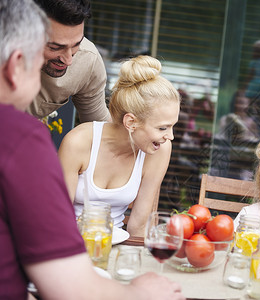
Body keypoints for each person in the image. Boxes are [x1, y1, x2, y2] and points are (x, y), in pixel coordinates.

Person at [0, 0, 184, 299]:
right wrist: (139, 294)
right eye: (37, 66)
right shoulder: (19, 139)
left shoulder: (87, 64)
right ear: (15, 64)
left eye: (76, 46)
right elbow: (66, 285)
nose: (69, 60)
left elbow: (104, 124)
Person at [58, 55, 180, 237]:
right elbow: (58, 218)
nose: (170, 137)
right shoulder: (79, 142)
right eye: (163, 128)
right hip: (68, 241)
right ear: (131, 122)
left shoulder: (159, 150)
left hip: (116, 245)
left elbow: (138, 226)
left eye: (172, 126)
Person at [26, 0, 110, 123]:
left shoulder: (87, 60)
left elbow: (99, 127)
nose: (68, 60)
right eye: (55, 47)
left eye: (77, 44)